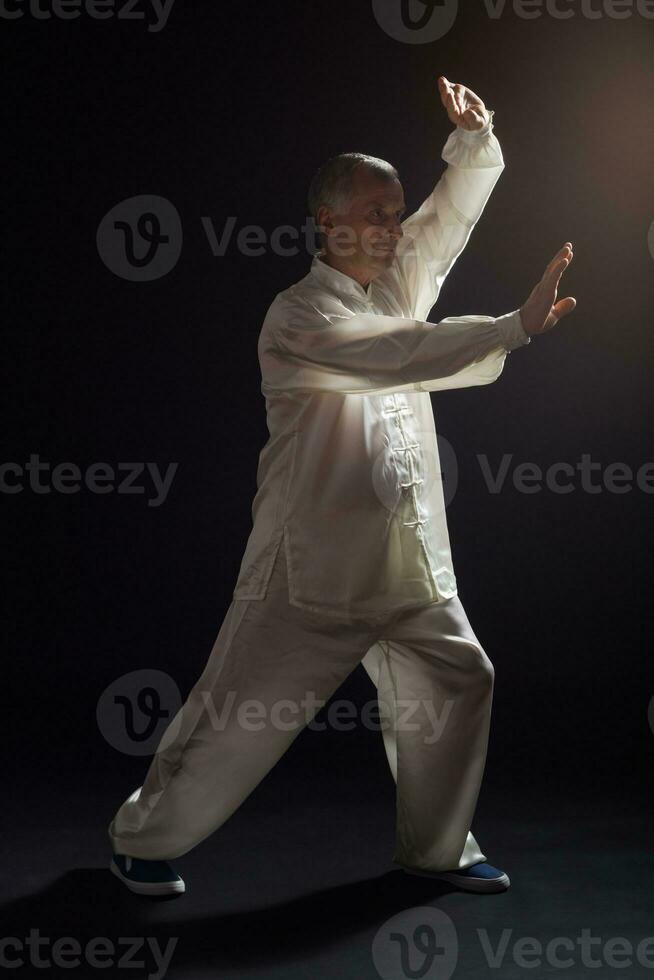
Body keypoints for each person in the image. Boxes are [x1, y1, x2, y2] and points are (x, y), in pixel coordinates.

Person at [108, 76, 576, 897]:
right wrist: (514, 328)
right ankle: (142, 837)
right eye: (376, 215)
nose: (395, 229)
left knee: (461, 680)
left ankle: (438, 849)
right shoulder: (297, 318)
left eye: (395, 213)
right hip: (308, 571)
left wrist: (473, 142)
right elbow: (393, 354)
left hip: (409, 565)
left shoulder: (396, 281)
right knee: (233, 719)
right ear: (327, 224)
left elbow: (446, 225)